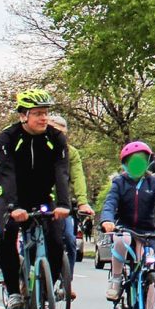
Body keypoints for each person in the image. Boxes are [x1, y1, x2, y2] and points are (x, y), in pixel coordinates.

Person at [0, 89, 71, 309]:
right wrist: (14, 206)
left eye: (46, 113)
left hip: (42, 199)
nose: (43, 118)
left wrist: (64, 204)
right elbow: (6, 174)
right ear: (23, 116)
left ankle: (51, 286)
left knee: (59, 238)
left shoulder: (55, 138)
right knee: (7, 234)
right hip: (12, 198)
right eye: (37, 113)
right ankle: (14, 293)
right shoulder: (8, 138)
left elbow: (61, 171)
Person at [100, 141, 155, 300]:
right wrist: (107, 220)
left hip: (146, 232)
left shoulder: (153, 182)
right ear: (126, 164)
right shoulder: (119, 182)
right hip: (124, 228)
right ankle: (116, 279)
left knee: (149, 264)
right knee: (122, 239)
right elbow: (110, 203)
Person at [48, 114, 95, 288]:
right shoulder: (38, 147)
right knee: (32, 238)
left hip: (61, 203)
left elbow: (78, 177)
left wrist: (82, 201)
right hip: (39, 200)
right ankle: (25, 275)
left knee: (69, 238)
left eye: (61, 133)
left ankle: (67, 283)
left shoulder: (71, 153)